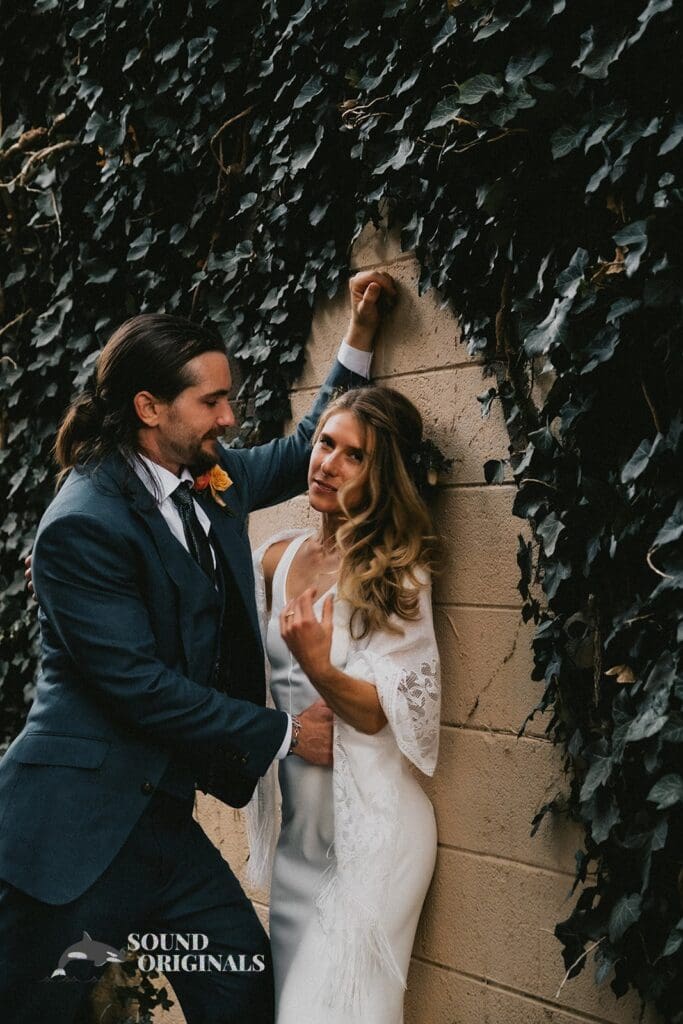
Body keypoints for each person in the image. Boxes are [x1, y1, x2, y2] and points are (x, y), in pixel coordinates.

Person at [0, 268, 395, 1024]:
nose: (228, 416)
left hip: (161, 835)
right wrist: (284, 733)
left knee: (242, 989)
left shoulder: (203, 477)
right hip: (74, 838)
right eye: (211, 401)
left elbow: (302, 451)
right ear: (150, 408)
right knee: (42, 1010)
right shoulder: (84, 523)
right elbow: (139, 685)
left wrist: (361, 335)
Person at [247, 385, 441, 1023]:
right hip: (298, 849)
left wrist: (316, 664)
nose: (326, 463)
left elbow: (378, 712)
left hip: (373, 842)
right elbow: (198, 613)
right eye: (325, 443)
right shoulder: (278, 556)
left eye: (352, 455)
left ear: (380, 476)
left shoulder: (396, 570)